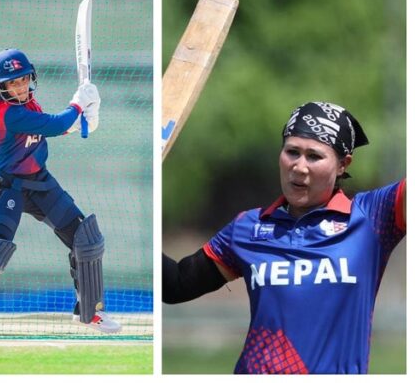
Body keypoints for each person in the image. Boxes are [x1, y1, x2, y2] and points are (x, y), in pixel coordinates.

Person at [163, 101, 406, 374]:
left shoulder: (372, 217)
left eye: (314, 156)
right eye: (292, 152)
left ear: (342, 164)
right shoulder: (248, 227)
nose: (299, 167)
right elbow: (177, 284)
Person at [0, 48, 121, 339]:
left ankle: (90, 311)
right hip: (8, 187)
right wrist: (78, 104)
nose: (19, 87)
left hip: (40, 182)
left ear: (31, 78)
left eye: (23, 80)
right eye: (12, 83)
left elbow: (49, 130)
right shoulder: (9, 113)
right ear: (1, 86)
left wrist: (84, 121)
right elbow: (55, 124)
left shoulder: (29, 105)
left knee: (86, 239)